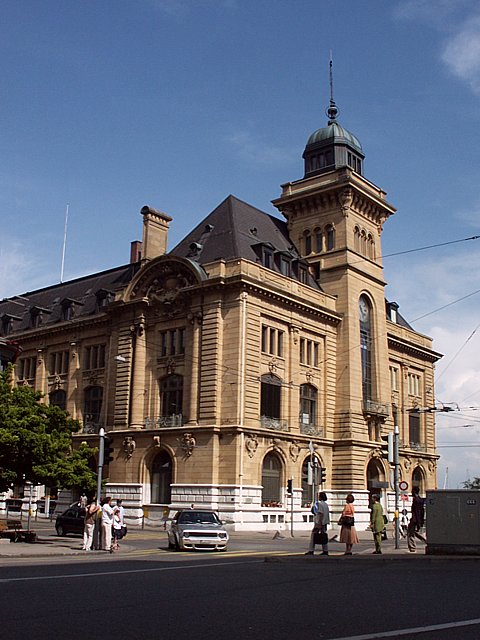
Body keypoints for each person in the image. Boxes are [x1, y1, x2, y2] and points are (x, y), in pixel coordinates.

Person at [305, 492, 330, 556]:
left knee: (313, 535)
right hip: (325, 522)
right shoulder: (326, 504)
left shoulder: (320, 504)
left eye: (319, 496)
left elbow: (321, 514)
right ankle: (325, 550)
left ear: (321, 497)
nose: (318, 497)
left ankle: (311, 550)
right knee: (323, 536)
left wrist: (319, 523)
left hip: (320, 522)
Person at [407, 487, 426, 552]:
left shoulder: (416, 500)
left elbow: (417, 512)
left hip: (414, 520)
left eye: (412, 491)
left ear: (414, 492)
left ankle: (412, 548)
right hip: (417, 520)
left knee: (410, 534)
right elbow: (421, 512)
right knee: (415, 533)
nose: (411, 492)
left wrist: (418, 522)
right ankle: (427, 541)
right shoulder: (420, 500)